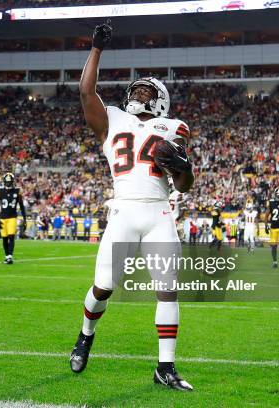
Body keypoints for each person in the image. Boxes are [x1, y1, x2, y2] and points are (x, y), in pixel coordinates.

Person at [69, 21, 195, 391]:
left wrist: (181, 166)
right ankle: (85, 337)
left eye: (145, 89)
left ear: (159, 99)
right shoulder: (112, 119)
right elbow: (85, 91)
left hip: (159, 212)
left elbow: (184, 186)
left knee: (167, 290)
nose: (137, 92)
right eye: (135, 88)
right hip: (123, 210)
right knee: (104, 286)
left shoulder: (173, 127)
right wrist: (96, 49)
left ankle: (165, 367)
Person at [0, 173, 26, 264]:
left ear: (12, 182)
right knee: (4, 238)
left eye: (9, 182)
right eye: (6, 182)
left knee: (11, 236)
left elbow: (21, 206)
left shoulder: (17, 191)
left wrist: (24, 218)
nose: (8, 183)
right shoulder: (0, 190)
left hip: (12, 217)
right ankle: (7, 256)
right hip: (2, 217)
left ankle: (10, 257)